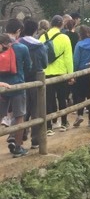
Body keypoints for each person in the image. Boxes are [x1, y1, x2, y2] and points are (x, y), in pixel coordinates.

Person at [1, 20, 32, 157]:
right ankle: (18, 147)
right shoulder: (22, 48)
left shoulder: (1, 44)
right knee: (19, 116)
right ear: (19, 30)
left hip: (1, 86)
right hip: (18, 84)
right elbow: (28, 67)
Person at [39, 15, 74, 134]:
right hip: (61, 72)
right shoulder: (64, 37)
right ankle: (64, 122)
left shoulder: (42, 37)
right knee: (62, 98)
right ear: (61, 25)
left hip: (46, 73)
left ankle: (48, 126)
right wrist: (71, 74)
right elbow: (68, 58)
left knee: (48, 100)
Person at [19, 18, 48, 149]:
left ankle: (19, 136)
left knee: (21, 110)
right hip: (37, 79)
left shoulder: (17, 44)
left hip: (21, 79)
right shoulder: (40, 45)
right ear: (36, 30)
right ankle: (35, 139)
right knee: (36, 109)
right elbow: (45, 64)